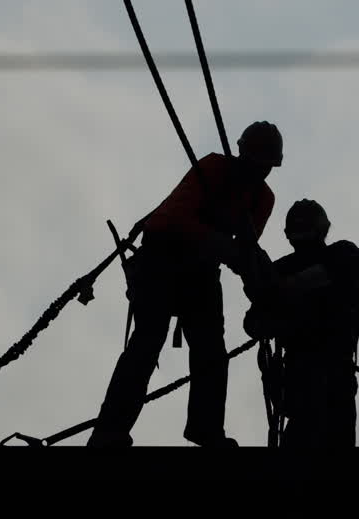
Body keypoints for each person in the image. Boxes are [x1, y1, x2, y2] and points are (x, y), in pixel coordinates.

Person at [88, 121, 283, 449]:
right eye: (257, 163)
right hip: (162, 257)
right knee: (148, 340)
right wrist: (225, 245)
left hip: (201, 272)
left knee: (211, 350)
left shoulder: (262, 198)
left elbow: (244, 252)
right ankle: (110, 430)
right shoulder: (214, 168)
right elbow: (173, 221)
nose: (261, 172)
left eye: (267, 167)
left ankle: (206, 430)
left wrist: (262, 288)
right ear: (244, 155)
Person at [244, 199, 359, 448]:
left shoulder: (342, 255)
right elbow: (254, 323)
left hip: (329, 374)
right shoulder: (281, 269)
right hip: (305, 376)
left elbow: (344, 267)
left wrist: (278, 290)